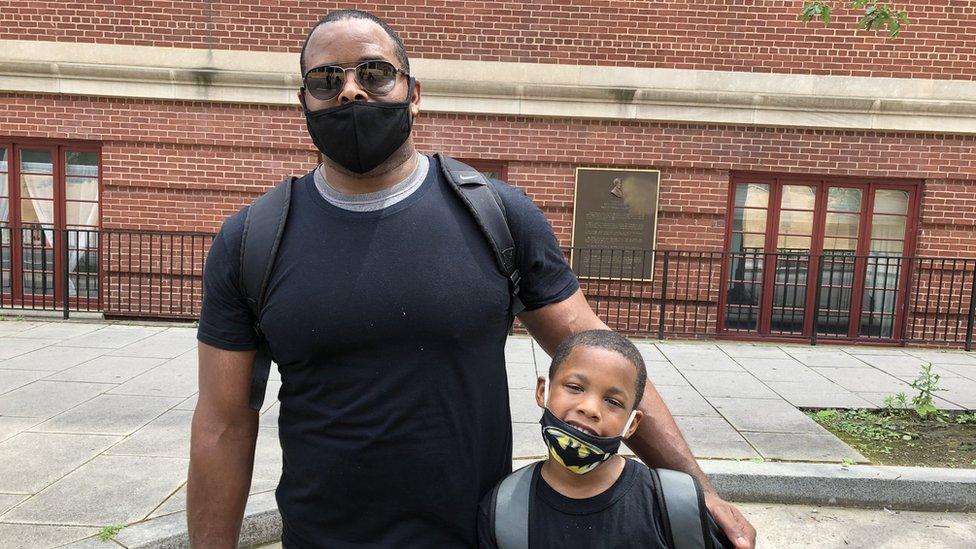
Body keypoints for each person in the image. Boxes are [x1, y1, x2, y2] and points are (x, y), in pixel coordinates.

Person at [186, 9, 756, 549]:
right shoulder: (252, 239)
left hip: (476, 535)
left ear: (414, 94)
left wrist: (698, 486)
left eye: (375, 73)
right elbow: (223, 423)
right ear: (302, 101)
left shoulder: (496, 217)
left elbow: (602, 357)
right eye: (326, 79)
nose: (352, 91)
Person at [477, 330, 732, 548]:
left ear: (632, 424)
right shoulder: (503, 510)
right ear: (543, 391)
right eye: (575, 387)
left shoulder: (673, 506)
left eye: (613, 402)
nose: (590, 408)